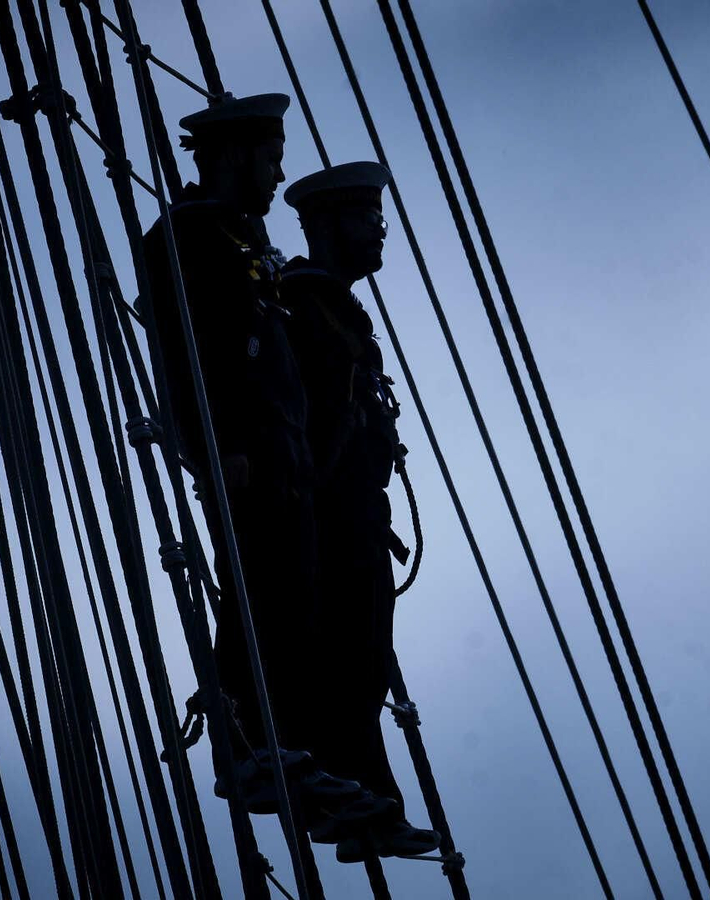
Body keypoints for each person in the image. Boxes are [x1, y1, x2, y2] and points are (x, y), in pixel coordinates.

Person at [140, 93, 368, 822]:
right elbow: (189, 348)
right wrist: (219, 442)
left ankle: (284, 748)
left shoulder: (243, 242)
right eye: (270, 159)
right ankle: (246, 752)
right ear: (233, 156)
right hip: (245, 452)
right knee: (257, 596)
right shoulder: (189, 235)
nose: (277, 175)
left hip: (285, 454)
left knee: (292, 604)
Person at [275, 161, 441, 863]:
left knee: (363, 664)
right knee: (344, 661)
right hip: (328, 513)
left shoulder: (334, 311)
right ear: (329, 224)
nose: (381, 231)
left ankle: (368, 806)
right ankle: (346, 798)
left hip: (356, 513)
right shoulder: (300, 305)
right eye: (368, 218)